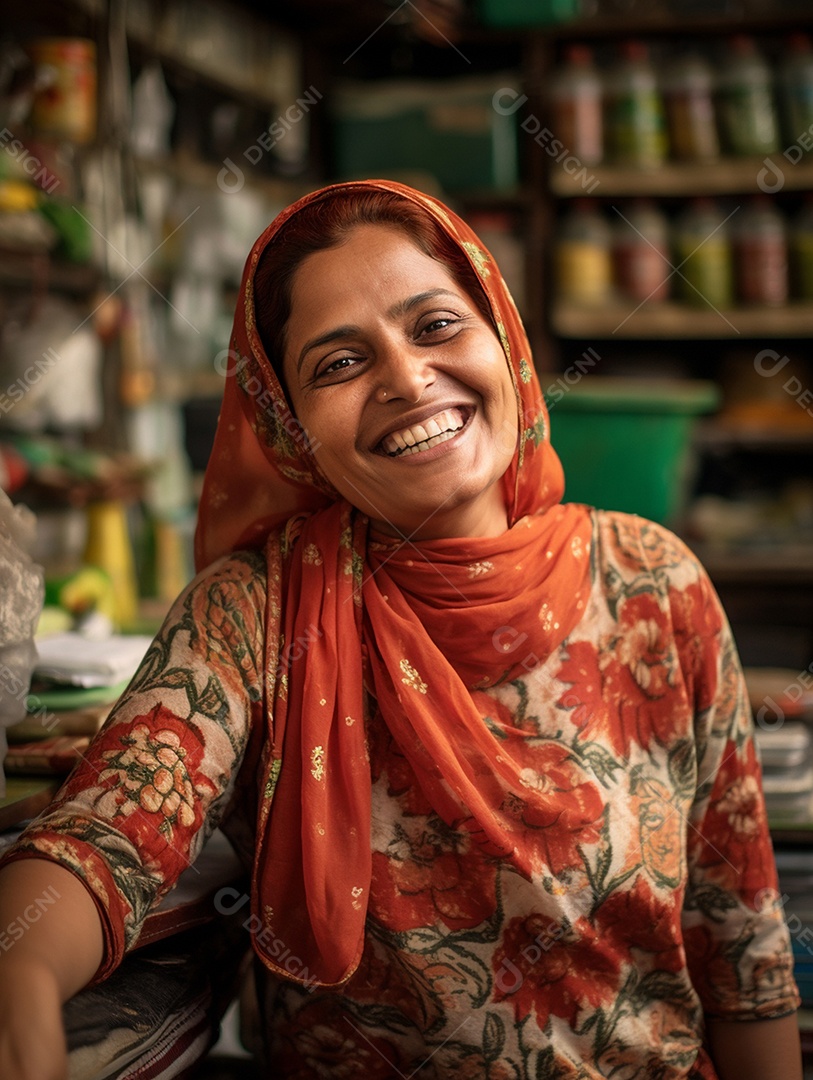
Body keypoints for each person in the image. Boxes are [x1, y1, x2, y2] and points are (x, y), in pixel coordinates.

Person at [0, 179, 802, 1079]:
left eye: (436, 326)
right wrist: (23, 968)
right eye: (338, 364)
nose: (406, 378)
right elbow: (113, 827)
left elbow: (743, 952)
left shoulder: (654, 585)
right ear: (291, 426)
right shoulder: (257, 612)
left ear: (503, 337)